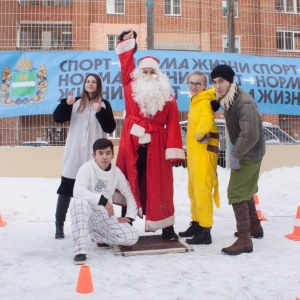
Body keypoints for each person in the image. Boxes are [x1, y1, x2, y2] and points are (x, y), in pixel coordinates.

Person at [114, 29, 185, 241]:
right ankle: (127, 222)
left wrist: (173, 153)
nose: (147, 75)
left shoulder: (169, 98)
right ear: (137, 74)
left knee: (160, 185)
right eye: (144, 71)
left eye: (152, 72)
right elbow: (126, 61)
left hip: (157, 144)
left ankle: (167, 226)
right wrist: (127, 40)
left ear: (159, 75)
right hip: (132, 141)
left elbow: (173, 124)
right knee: (129, 180)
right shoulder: (130, 87)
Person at [210, 64, 265, 255]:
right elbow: (220, 101)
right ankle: (255, 228)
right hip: (249, 151)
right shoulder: (231, 97)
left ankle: (244, 240)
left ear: (231, 81)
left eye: (221, 81)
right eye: (215, 82)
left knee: (236, 192)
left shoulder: (243, 102)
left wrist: (235, 155)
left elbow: (250, 135)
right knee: (246, 190)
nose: (217, 86)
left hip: (248, 152)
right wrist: (215, 103)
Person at [53, 74, 116, 240]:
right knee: (66, 189)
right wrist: (66, 104)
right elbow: (57, 118)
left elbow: (110, 126)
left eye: (93, 82)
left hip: (93, 157)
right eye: (88, 81)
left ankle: (95, 227)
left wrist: (100, 112)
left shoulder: (103, 104)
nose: (90, 84)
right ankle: (59, 226)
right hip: (74, 153)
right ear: (84, 85)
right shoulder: (74, 102)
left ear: (98, 86)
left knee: (94, 192)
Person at [70, 138, 139, 264]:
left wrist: (130, 216)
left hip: (103, 215)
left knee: (132, 237)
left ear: (112, 155)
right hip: (86, 212)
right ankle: (80, 251)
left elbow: (128, 193)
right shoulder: (87, 168)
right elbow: (78, 191)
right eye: (100, 153)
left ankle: (98, 236)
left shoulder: (116, 172)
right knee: (79, 202)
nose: (104, 157)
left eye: (108, 153)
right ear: (94, 155)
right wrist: (103, 200)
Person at [178, 71, 220, 245]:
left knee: (202, 191)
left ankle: (205, 230)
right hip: (196, 154)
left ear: (204, 85)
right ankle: (196, 223)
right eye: (191, 83)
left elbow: (207, 120)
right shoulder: (195, 101)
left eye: (198, 83)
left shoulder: (204, 101)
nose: (194, 86)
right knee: (193, 190)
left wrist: (199, 134)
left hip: (203, 153)